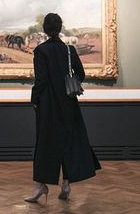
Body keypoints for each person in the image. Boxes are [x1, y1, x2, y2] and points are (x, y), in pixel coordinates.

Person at [24, 13, 102, 203]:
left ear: (45, 28)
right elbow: (81, 74)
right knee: (69, 141)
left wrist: (34, 99)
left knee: (45, 144)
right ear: (60, 28)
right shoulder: (70, 50)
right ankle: (66, 183)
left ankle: (41, 186)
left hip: (48, 105)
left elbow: (41, 80)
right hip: (68, 102)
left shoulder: (41, 51)